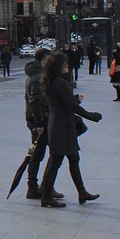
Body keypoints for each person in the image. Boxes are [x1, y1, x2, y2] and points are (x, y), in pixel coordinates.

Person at [37, 51, 103, 208]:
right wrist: (91, 116)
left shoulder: (51, 80)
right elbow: (71, 106)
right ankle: (46, 197)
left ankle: (82, 192)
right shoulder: (60, 82)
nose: (67, 66)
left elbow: (64, 103)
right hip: (62, 126)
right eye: (65, 63)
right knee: (56, 161)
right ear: (59, 66)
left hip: (60, 124)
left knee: (73, 159)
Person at [23, 47, 60, 201]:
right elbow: (35, 100)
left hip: (36, 119)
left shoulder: (34, 73)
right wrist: (39, 123)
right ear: (44, 60)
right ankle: (39, 187)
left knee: (39, 154)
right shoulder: (38, 76)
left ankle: (40, 186)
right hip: (40, 120)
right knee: (40, 155)